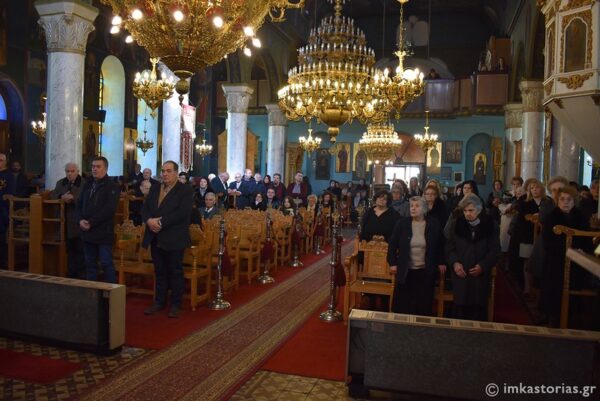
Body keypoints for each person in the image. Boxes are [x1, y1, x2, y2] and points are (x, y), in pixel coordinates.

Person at [142, 161, 194, 318]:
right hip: (155, 236)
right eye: (163, 171)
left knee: (175, 271)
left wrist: (160, 223)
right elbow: (145, 208)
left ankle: (176, 304)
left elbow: (182, 213)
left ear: (176, 173)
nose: (165, 174)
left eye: (169, 171)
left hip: (174, 236)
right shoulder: (155, 187)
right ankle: (159, 301)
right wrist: (149, 220)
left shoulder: (185, 190)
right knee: (159, 270)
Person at [540, 186, 593, 327]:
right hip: (556, 261)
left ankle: (573, 318)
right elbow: (548, 242)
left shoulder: (580, 217)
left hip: (576, 261)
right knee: (554, 290)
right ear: (557, 201)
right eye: (562, 199)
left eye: (569, 199)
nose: (565, 202)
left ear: (574, 201)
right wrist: (567, 250)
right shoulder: (551, 217)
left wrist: (581, 250)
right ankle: (553, 317)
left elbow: (587, 240)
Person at [445, 194, 500, 321]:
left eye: (471, 210)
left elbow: (495, 250)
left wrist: (483, 265)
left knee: (477, 308)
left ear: (479, 209)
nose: (467, 214)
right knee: (460, 309)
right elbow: (449, 247)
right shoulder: (456, 224)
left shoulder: (490, 224)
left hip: (480, 274)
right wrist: (454, 263)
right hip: (461, 272)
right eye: (465, 211)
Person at [387, 196, 445, 315]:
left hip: (425, 270)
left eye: (417, 206)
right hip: (406, 270)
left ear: (424, 209)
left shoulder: (434, 224)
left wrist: (441, 262)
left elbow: (441, 245)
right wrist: (392, 263)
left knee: (422, 305)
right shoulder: (402, 223)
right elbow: (392, 244)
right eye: (411, 206)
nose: (413, 208)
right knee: (403, 305)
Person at [77, 156, 120, 283]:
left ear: (105, 169)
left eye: (98, 167)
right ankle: (91, 292)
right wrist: (80, 220)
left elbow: (109, 209)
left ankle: (112, 292)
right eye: (93, 166)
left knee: (106, 263)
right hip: (87, 231)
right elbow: (79, 204)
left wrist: (91, 222)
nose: (94, 169)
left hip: (103, 232)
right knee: (90, 263)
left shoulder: (112, 186)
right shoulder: (87, 185)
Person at [51, 163, 84, 279]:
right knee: (70, 251)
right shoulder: (60, 183)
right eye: (67, 171)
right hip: (65, 221)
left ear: (78, 171)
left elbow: (87, 198)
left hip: (79, 221)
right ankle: (71, 276)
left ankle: (81, 277)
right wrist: (61, 197)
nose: (69, 174)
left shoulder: (84, 183)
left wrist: (73, 198)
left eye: (72, 171)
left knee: (81, 250)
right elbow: (53, 195)